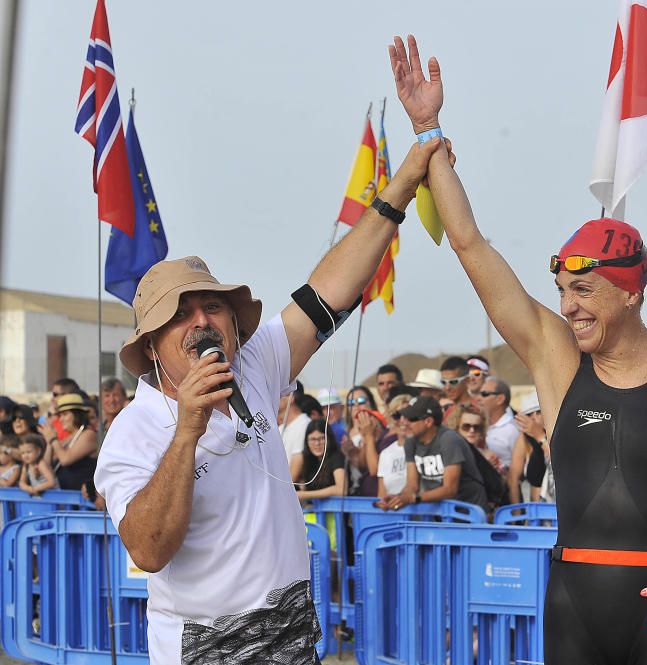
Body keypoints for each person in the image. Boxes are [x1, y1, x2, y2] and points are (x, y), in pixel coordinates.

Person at [388, 34, 647, 662]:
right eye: (561, 289)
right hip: (572, 604)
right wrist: (428, 129)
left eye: (583, 289)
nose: (568, 305)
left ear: (630, 292)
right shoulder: (557, 358)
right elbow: (470, 244)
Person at [93, 134, 449, 663]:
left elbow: (329, 289)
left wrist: (402, 182)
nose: (201, 323)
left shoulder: (255, 363)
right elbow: (148, 549)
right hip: (202, 648)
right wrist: (188, 431)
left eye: (212, 307)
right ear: (151, 346)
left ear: (234, 324)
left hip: (290, 633)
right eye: (180, 314)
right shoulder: (135, 430)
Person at [381, 396, 488, 511]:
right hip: (441, 512)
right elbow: (412, 485)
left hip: (468, 511)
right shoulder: (411, 440)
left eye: (410, 418)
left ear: (428, 422)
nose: (403, 421)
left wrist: (414, 498)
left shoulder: (449, 440)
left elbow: (450, 489)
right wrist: (398, 498)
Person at [46, 394, 98, 491]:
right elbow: (47, 464)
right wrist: (49, 441)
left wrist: (53, 439)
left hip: (81, 501)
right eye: (60, 415)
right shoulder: (66, 438)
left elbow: (65, 459)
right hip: (64, 498)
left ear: (77, 414)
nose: (61, 419)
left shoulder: (88, 434)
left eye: (65, 414)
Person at [290, 420, 347, 502]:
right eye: (313, 439)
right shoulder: (309, 459)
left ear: (329, 438)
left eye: (322, 438)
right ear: (307, 441)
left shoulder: (336, 456)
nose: (317, 443)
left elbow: (342, 489)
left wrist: (305, 495)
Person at [508, 392, 548, 504]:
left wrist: (541, 437)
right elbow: (513, 479)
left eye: (538, 412)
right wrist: (516, 515)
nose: (533, 419)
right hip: (535, 513)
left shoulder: (560, 434)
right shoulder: (524, 439)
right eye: (528, 415)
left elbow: (559, 462)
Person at [478, 376, 519, 471]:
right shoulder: (477, 425)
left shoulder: (512, 429)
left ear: (500, 399)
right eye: (479, 393)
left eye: (484, 394)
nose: (479, 398)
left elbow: (521, 466)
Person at [377, 395, 412, 498]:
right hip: (392, 512)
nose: (402, 420)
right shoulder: (385, 453)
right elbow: (381, 494)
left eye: (407, 415)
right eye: (397, 415)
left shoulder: (423, 448)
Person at [279, 387, 312, 464]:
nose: (274, 397)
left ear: (291, 398)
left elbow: (298, 461)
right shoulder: (280, 428)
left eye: (279, 394)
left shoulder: (304, 424)